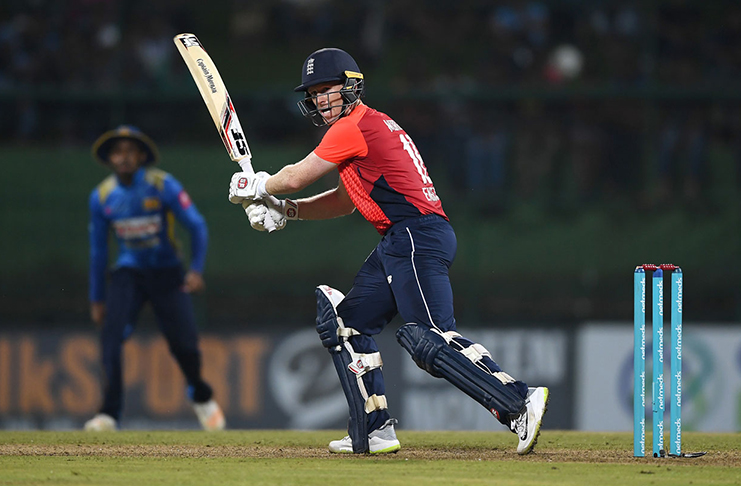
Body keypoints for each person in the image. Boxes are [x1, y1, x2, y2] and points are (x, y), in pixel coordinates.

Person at [228, 48, 548, 454]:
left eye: (327, 89)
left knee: (428, 338)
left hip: (415, 234)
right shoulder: (367, 126)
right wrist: (288, 211)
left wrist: (260, 186)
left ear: (351, 87)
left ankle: (518, 401)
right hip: (401, 239)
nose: (320, 99)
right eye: (314, 93)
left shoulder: (352, 126)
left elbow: (294, 177)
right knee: (346, 326)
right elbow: (344, 201)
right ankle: (374, 430)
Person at [85, 125, 225, 432]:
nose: (123, 158)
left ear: (141, 156)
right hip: (128, 274)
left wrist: (196, 270)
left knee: (185, 345)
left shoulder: (163, 186)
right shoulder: (102, 197)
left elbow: (197, 226)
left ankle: (201, 396)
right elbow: (98, 251)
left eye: (130, 151)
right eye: (117, 152)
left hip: (167, 273)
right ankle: (109, 414)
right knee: (111, 337)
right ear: (109, 158)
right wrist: (97, 299)